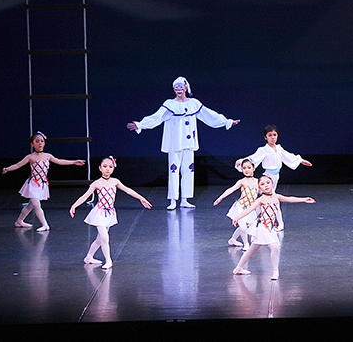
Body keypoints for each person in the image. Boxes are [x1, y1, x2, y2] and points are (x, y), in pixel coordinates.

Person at [128, 76, 240, 210]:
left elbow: (210, 115)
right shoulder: (170, 104)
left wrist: (227, 122)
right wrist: (141, 124)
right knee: (173, 170)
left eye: (181, 86)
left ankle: (185, 199)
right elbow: (156, 117)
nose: (179, 89)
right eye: (176, 87)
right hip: (174, 143)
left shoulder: (194, 103)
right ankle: (173, 200)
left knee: (188, 170)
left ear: (186, 88)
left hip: (189, 143)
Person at [70, 156, 152, 269]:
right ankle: (108, 260)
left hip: (109, 213)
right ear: (100, 168)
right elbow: (85, 196)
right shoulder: (96, 183)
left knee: (99, 239)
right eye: (105, 166)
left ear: (113, 168)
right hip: (99, 213)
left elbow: (128, 190)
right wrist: (74, 205)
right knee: (104, 237)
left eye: (110, 167)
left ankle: (88, 257)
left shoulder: (115, 181)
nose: (107, 169)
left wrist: (141, 198)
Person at [231, 175, 315, 280]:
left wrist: (304, 199)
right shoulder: (261, 199)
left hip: (270, 228)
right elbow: (249, 209)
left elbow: (289, 199)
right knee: (274, 247)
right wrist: (237, 217)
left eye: (268, 183)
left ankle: (238, 268)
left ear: (272, 184)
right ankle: (275, 271)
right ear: (259, 188)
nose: (266, 185)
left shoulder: (276, 197)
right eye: (262, 184)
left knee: (252, 250)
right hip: (262, 227)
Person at [2, 131, 85, 231]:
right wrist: (7, 168)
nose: (40, 143)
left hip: (42, 184)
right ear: (32, 144)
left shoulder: (48, 156)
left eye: (41, 141)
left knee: (30, 205)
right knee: (36, 204)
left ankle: (19, 221)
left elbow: (60, 161)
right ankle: (45, 224)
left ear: (44, 143)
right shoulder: (30, 157)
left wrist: (74, 162)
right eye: (37, 141)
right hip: (33, 184)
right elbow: (18, 165)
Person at [235, 125, 312, 230]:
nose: (273, 137)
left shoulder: (279, 148)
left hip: (275, 176)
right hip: (268, 177)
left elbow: (288, 156)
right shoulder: (263, 150)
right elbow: (253, 158)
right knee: (271, 198)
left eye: (274, 135)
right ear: (265, 137)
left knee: (266, 199)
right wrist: (241, 162)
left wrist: (301, 160)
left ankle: (251, 220)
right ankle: (277, 223)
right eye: (270, 135)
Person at [214, 158, 260, 250]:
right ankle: (246, 244)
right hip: (241, 207)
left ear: (253, 168)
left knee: (247, 226)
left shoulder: (258, 181)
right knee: (243, 228)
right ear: (241, 169)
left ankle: (233, 239)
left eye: (249, 168)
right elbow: (231, 189)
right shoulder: (242, 181)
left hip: (250, 209)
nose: (246, 170)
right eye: (244, 168)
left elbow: (264, 192)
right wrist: (221, 197)